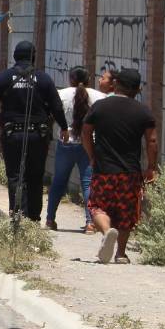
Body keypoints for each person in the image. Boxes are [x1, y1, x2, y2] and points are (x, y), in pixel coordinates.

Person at [0, 41, 68, 222]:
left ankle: (18, 215)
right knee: (35, 176)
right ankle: (33, 218)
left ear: (15, 56)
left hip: (12, 135)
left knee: (15, 176)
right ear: (33, 56)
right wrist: (64, 127)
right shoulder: (43, 78)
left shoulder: (4, 77)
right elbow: (56, 106)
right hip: (38, 136)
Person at [81, 67, 159, 264]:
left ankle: (107, 231)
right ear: (138, 89)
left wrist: (91, 155)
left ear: (116, 84)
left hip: (103, 170)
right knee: (126, 212)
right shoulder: (143, 111)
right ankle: (121, 254)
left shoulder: (100, 106)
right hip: (130, 172)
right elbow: (152, 141)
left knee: (97, 206)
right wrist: (151, 167)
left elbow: (85, 132)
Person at [46, 66, 105, 233]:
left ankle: (50, 219)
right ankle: (90, 223)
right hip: (89, 145)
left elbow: (51, 115)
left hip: (65, 143)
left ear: (70, 79)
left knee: (58, 181)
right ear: (89, 79)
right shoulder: (99, 97)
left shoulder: (61, 94)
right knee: (88, 184)